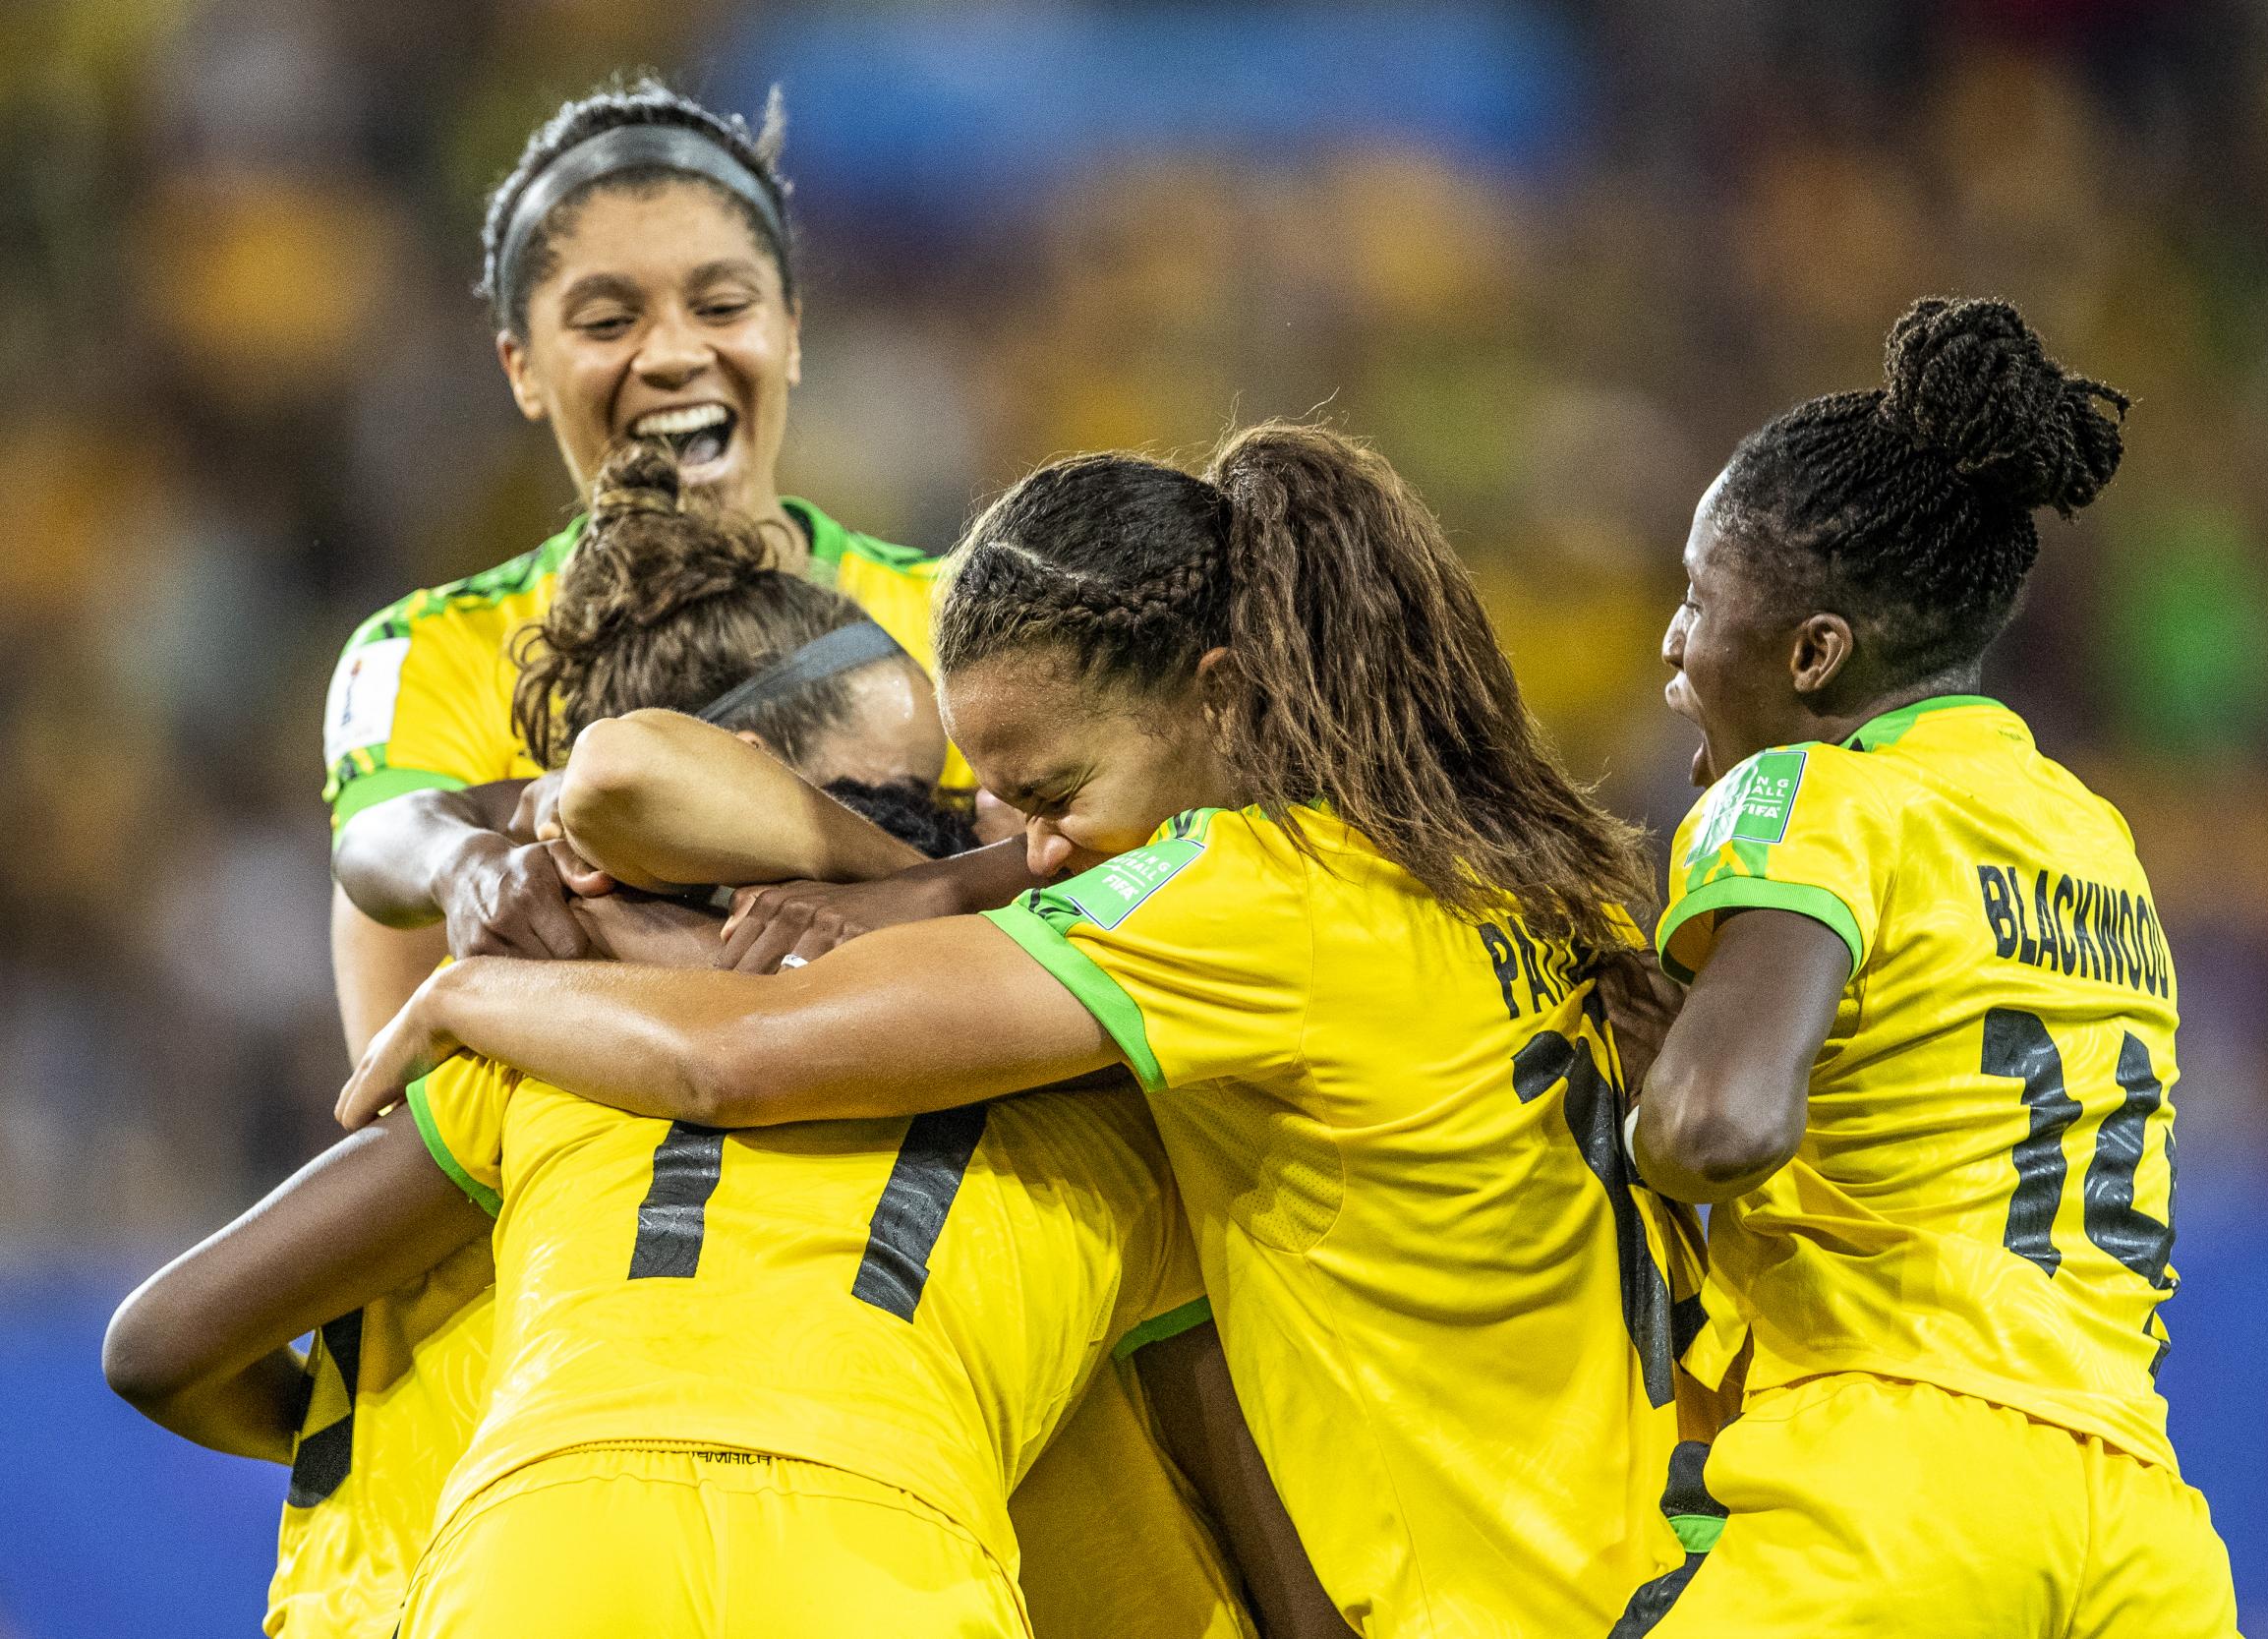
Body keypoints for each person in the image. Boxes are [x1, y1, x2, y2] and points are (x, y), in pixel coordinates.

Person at [337, 420, 1716, 1637]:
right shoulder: (1472, 861)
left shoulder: (1241, 899)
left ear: (1219, 696)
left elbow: (745, 1048)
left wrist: (480, 985)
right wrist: (934, 878)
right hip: (1665, 1562)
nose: (1038, 848)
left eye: (1051, 791)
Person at [111, 447, 1333, 1639]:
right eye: (897, 790)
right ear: (737, 774)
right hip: (888, 1559)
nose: (965, 820)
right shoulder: (1095, 1053)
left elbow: (165, 1344)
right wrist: (936, 897)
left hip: (509, 1555)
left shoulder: (538, 1032)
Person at [1628, 297, 2238, 1634]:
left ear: (1813, 653)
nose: (1672, 645)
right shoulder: (2093, 834)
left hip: (1893, 1483)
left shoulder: (1808, 792)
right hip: (2138, 1513)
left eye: (1695, 598)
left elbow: (1714, 1119)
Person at [322, 76, 948, 1054]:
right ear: (521, 367)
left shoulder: (958, 615)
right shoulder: (437, 646)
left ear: (790, 329)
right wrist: (468, 867)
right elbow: (381, 840)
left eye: (721, 303)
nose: (671, 354)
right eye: (608, 322)